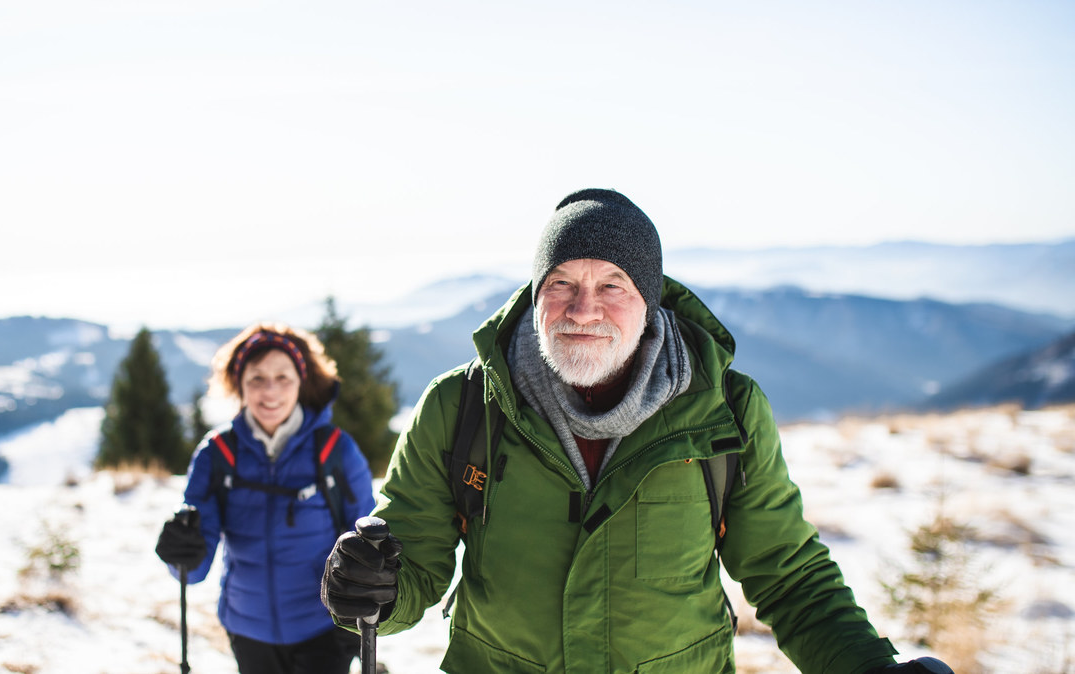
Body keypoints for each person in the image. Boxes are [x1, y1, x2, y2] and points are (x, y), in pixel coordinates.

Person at [321, 189, 955, 673]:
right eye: (562, 282)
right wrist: (371, 589)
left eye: (612, 285)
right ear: (536, 292)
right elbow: (415, 562)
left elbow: (787, 575)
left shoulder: (724, 412)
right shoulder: (463, 407)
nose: (584, 308)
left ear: (649, 300)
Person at [156, 323, 376, 674]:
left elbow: (368, 543)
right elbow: (193, 569)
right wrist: (180, 549)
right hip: (248, 630)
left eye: (283, 377)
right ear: (239, 385)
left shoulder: (336, 451)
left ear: (301, 381)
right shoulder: (217, 454)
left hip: (324, 628)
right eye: (256, 378)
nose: (270, 390)